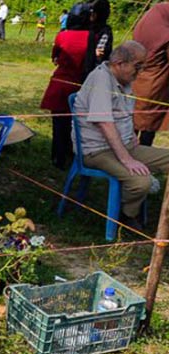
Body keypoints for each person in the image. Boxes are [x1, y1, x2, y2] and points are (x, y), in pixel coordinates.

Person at [74, 41, 169, 231]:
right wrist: (127, 159)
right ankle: (125, 215)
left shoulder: (124, 81)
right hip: (97, 151)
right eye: (137, 66)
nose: (140, 72)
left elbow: (123, 115)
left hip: (123, 145)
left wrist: (131, 140)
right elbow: (105, 123)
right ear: (119, 63)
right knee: (141, 182)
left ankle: (153, 213)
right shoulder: (101, 79)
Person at [40, 19, 89, 169]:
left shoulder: (63, 35)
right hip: (78, 83)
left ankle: (58, 157)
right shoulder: (90, 36)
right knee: (75, 123)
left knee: (59, 123)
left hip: (62, 83)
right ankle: (68, 155)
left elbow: (54, 58)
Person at [132, 2, 169, 147]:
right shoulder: (165, 35)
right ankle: (142, 158)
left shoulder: (149, 20)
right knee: (148, 123)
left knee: (133, 120)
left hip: (137, 78)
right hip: (154, 83)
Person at [83, 0, 112, 79]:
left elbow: (100, 53)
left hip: (96, 70)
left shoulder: (105, 31)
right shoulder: (85, 27)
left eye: (93, 12)